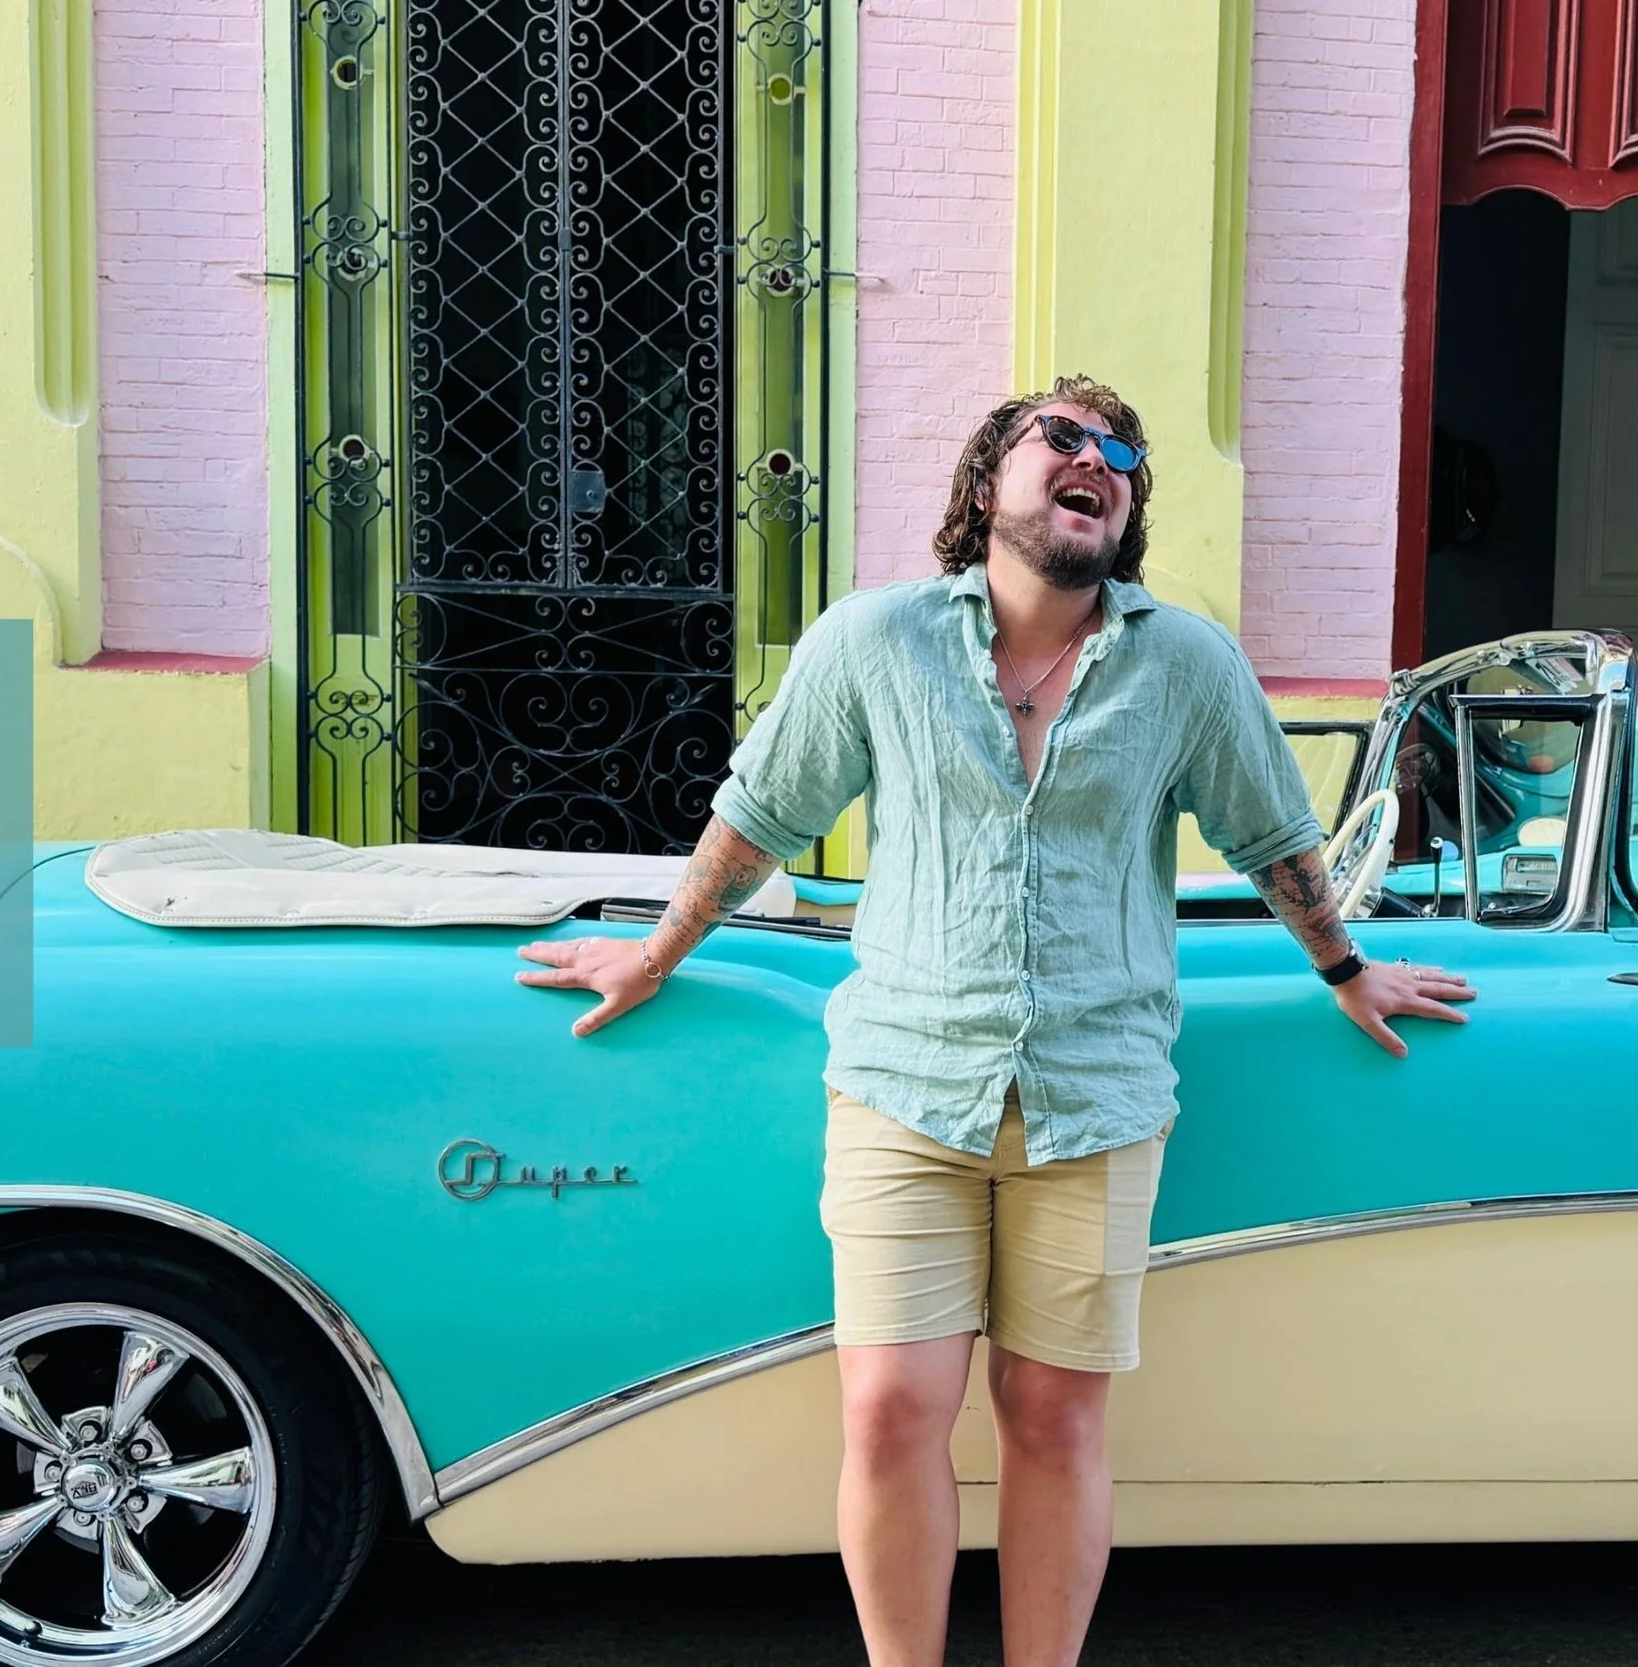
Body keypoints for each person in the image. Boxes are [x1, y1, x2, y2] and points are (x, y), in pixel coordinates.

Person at [517, 375, 1474, 1667]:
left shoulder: (1184, 661)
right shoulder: (875, 639)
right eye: (1063, 440)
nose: (1099, 462)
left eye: (1123, 455)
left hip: (1099, 1089)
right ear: (988, 483)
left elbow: (1270, 834)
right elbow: (763, 814)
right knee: (893, 1407)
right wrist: (655, 951)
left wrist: (1347, 968)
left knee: (1053, 1416)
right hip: (907, 1080)